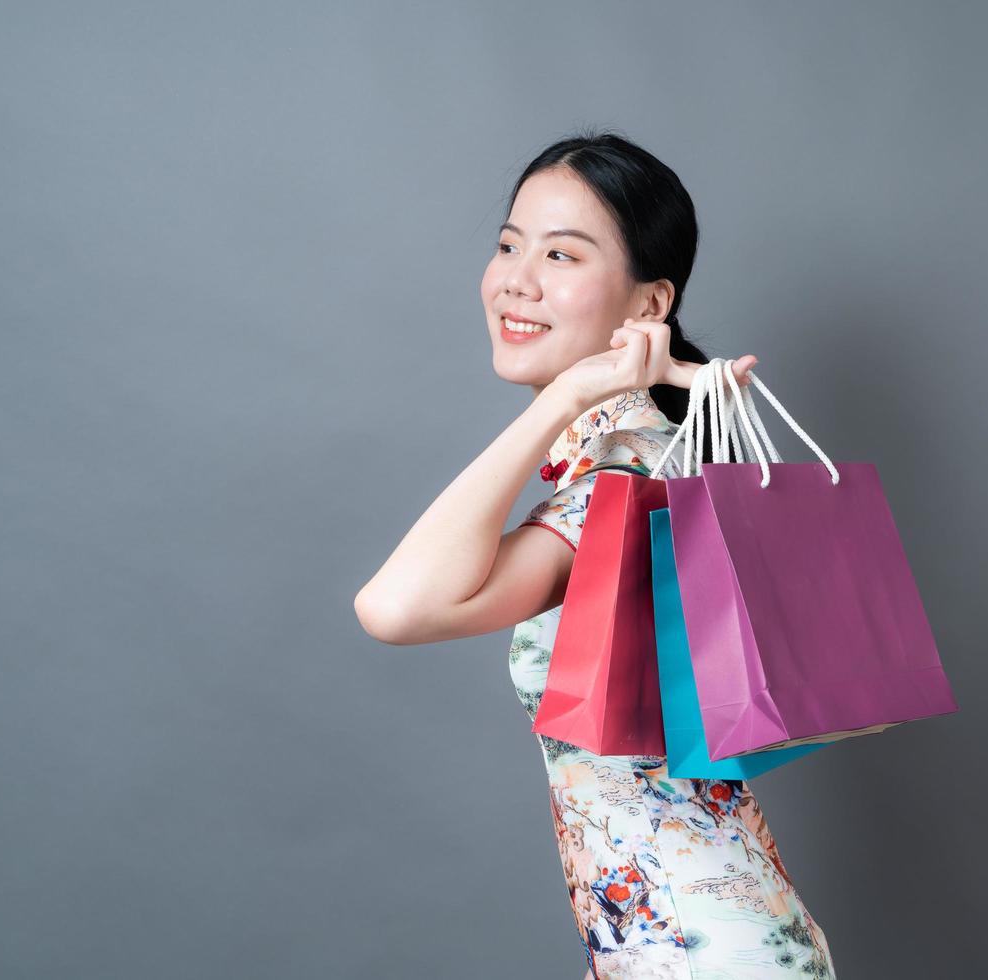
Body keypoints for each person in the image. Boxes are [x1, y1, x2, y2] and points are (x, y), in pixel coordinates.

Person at [354, 130, 837, 979]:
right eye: (509, 244)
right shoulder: (631, 460)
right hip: (674, 938)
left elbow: (396, 608)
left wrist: (571, 393)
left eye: (563, 255)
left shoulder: (628, 472)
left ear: (649, 305)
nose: (517, 279)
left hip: (697, 951)